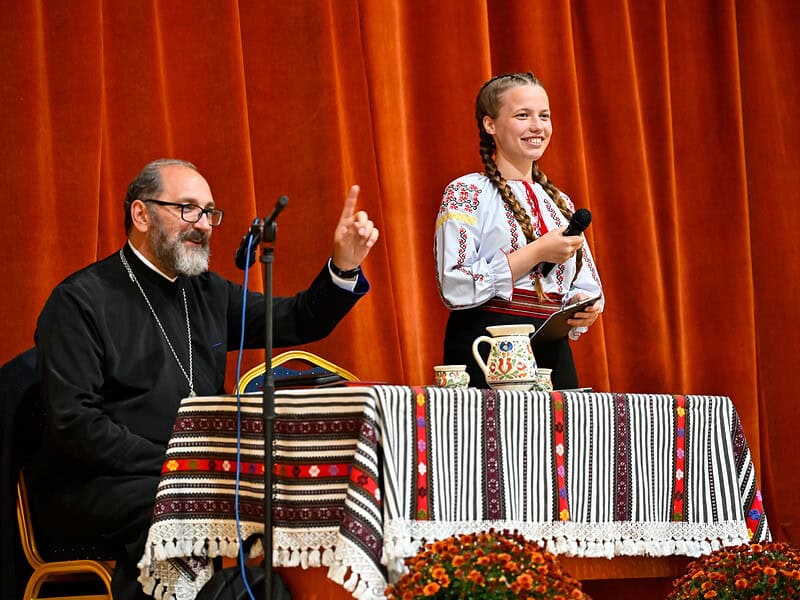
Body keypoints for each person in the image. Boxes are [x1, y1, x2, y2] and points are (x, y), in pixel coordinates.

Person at [25, 158, 379, 599]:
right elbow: (76, 425)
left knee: (294, 495)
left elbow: (296, 320)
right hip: (101, 484)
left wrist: (343, 267)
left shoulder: (206, 291)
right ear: (141, 214)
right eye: (188, 209)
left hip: (193, 475)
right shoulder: (80, 301)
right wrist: (179, 469)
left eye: (209, 212)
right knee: (177, 506)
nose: (204, 225)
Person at [435, 72, 603, 390]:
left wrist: (584, 304)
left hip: (552, 354)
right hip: (486, 346)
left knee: (558, 439)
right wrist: (536, 252)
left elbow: (585, 281)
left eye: (544, 115)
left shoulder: (559, 202)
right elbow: (453, 285)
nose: (537, 126)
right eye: (522, 115)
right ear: (490, 125)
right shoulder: (467, 192)